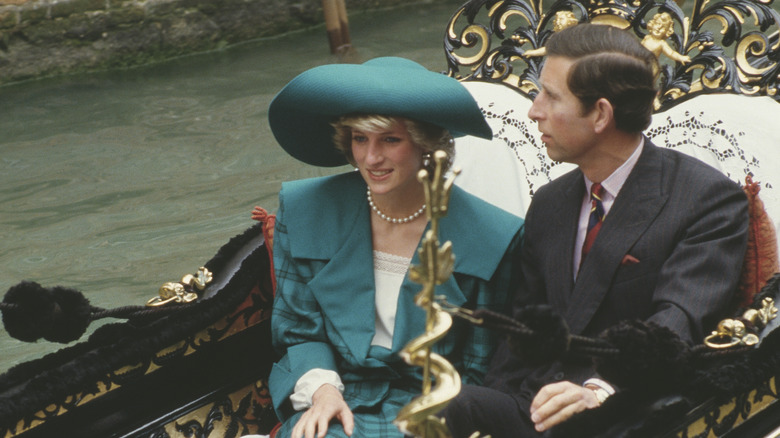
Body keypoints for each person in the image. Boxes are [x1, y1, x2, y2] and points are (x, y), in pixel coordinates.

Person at [441, 23, 749, 437]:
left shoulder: (706, 199)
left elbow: (680, 319)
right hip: (540, 404)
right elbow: (524, 327)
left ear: (601, 113)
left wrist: (598, 390)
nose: (534, 110)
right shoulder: (549, 203)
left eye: (550, 96)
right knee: (443, 411)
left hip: (634, 405)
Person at [264, 57, 524, 438]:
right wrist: (323, 392)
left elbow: (479, 367)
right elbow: (298, 331)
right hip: (335, 395)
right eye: (359, 139)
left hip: (435, 409)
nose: (371, 158)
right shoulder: (305, 210)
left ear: (426, 144)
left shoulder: (493, 237)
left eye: (390, 139)